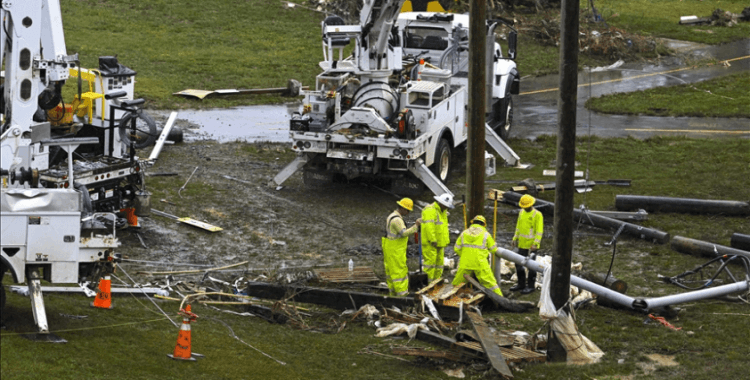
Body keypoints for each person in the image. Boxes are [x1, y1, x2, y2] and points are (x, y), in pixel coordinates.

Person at [452, 215, 503, 296]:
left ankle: (452, 298)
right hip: (480, 263)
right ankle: (500, 300)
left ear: (473, 222)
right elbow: (493, 249)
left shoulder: (464, 233)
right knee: (490, 283)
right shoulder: (486, 234)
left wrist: (465, 255)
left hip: (465, 263)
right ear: (483, 224)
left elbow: (456, 248)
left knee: (458, 283)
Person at [382, 198, 421, 297]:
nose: (408, 213)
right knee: (399, 271)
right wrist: (416, 226)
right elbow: (404, 233)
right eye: (407, 210)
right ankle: (402, 294)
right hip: (396, 249)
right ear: (403, 208)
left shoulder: (391, 216)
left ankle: (393, 292)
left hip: (389, 247)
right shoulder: (397, 220)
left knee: (391, 271)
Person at [511, 194, 544, 294]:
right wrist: (515, 238)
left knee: (532, 266)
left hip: (531, 246)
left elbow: (539, 231)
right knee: (518, 264)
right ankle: (521, 284)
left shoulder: (537, 215)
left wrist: (535, 243)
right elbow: (518, 226)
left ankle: (530, 286)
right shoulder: (521, 212)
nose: (524, 208)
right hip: (522, 244)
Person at [420, 193, 453, 282]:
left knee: (439, 264)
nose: (447, 208)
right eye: (446, 206)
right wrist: (433, 239)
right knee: (430, 264)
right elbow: (429, 226)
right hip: (430, 243)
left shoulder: (443, 212)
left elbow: (444, 226)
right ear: (441, 203)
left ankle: (436, 282)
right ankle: (428, 283)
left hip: (440, 242)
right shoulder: (430, 210)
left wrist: (445, 240)